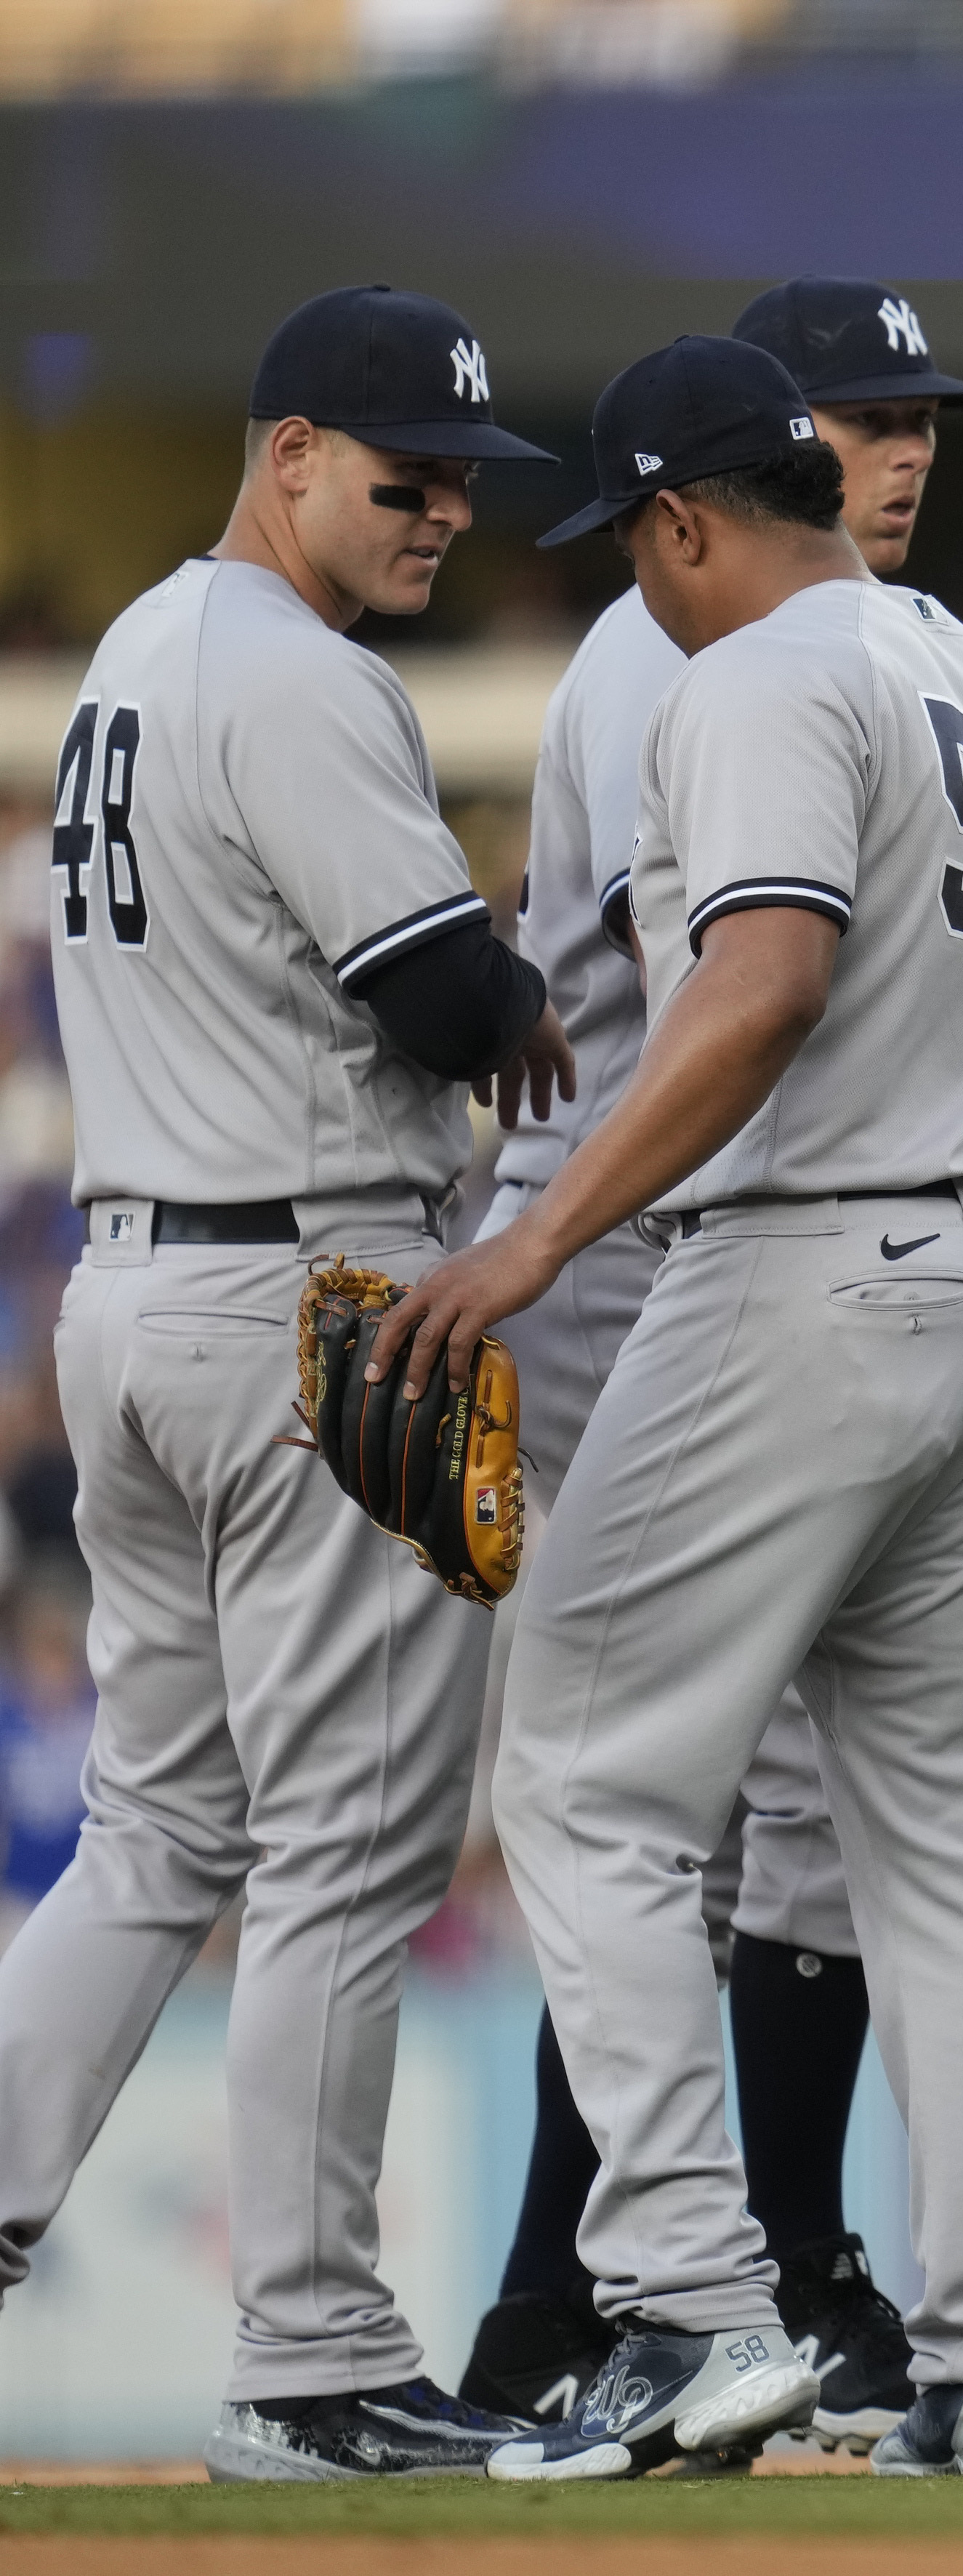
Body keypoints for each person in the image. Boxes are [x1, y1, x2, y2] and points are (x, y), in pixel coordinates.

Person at [379, 334, 963, 2482]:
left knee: (584, 1777)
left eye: (637, 548)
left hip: (812, 1263)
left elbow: (761, 982)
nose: (639, 593)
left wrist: (532, 1240)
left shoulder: (757, 672)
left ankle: (693, 2306)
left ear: (687, 521)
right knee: (944, 1855)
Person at [0, 285, 565, 2480]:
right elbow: (441, 1001)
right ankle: (313, 2356)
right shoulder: (300, 675)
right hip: (309, 1304)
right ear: (290, 450)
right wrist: (526, 964)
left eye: (461, 481)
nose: (441, 508)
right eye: (404, 472)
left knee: (159, 1824)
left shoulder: (133, 654)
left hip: (134, 1289)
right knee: (348, 1840)